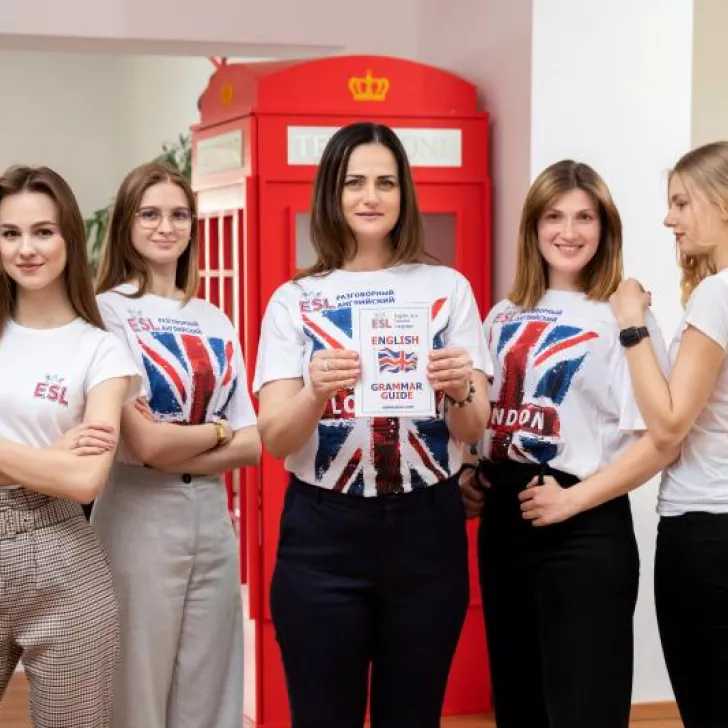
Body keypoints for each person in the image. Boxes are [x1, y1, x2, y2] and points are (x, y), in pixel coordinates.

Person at [253, 121, 490, 728]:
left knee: (413, 715)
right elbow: (276, 438)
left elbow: (472, 428)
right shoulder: (294, 300)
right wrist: (314, 391)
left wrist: (459, 385)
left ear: (404, 193)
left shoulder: (447, 288)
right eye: (354, 182)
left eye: (386, 182)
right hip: (324, 533)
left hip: (426, 528)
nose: (370, 196)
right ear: (331, 193)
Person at [460, 159, 677, 728]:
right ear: (533, 226)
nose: (569, 232)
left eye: (585, 217)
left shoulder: (624, 316)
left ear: (605, 228)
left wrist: (573, 501)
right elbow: (484, 418)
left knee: (585, 707)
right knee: (519, 702)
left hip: (584, 527)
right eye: (554, 216)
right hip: (505, 524)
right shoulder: (502, 315)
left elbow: (661, 442)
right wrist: (470, 472)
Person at [90, 161, 261, 728]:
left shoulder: (214, 318)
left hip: (212, 513)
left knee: (212, 689)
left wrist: (188, 439)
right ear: (126, 223)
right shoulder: (105, 311)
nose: (166, 227)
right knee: (135, 688)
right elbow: (146, 446)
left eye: (179, 215)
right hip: (138, 510)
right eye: (150, 214)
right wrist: (218, 431)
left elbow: (254, 444)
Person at [0, 165, 139, 727]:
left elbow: (84, 481)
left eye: (43, 232)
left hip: (63, 556)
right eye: (10, 233)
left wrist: (52, 466)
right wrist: (48, 459)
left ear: (70, 239)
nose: (26, 249)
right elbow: (64, 469)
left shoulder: (100, 350)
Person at [610, 140, 728, 728]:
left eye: (681, 203)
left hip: (706, 531)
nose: (668, 219)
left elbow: (671, 420)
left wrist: (631, 324)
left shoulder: (718, 293)